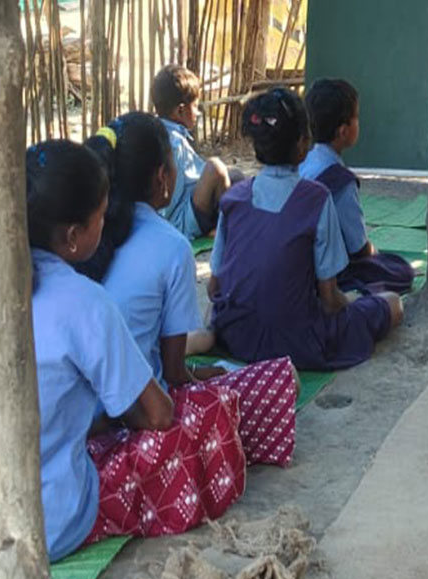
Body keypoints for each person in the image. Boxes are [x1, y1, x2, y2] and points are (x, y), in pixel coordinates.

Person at [0, 140, 245, 560]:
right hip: (42, 524)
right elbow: (158, 415)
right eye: (101, 217)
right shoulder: (83, 301)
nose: (107, 226)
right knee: (199, 419)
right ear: (73, 236)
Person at [84, 112, 298, 468]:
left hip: (78, 424)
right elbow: (174, 375)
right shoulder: (171, 246)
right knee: (278, 378)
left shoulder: (81, 241)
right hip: (136, 422)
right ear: (162, 177)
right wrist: (209, 374)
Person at [209, 88, 403, 371]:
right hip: (297, 343)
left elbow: (215, 287)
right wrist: (351, 301)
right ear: (303, 143)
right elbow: (330, 301)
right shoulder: (316, 199)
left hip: (237, 336)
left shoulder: (234, 198)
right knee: (393, 304)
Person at [298, 78, 415, 295]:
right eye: (356, 118)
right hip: (327, 271)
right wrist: (376, 254)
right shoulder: (340, 182)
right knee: (401, 271)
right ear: (343, 131)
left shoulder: (302, 163)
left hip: (296, 262)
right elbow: (359, 248)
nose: (359, 123)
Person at [151, 64, 232, 240]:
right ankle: (224, 230)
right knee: (216, 168)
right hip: (178, 222)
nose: (198, 112)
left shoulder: (161, 132)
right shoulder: (174, 143)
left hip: (178, 212)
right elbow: (171, 200)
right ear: (181, 110)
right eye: (195, 106)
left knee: (236, 177)